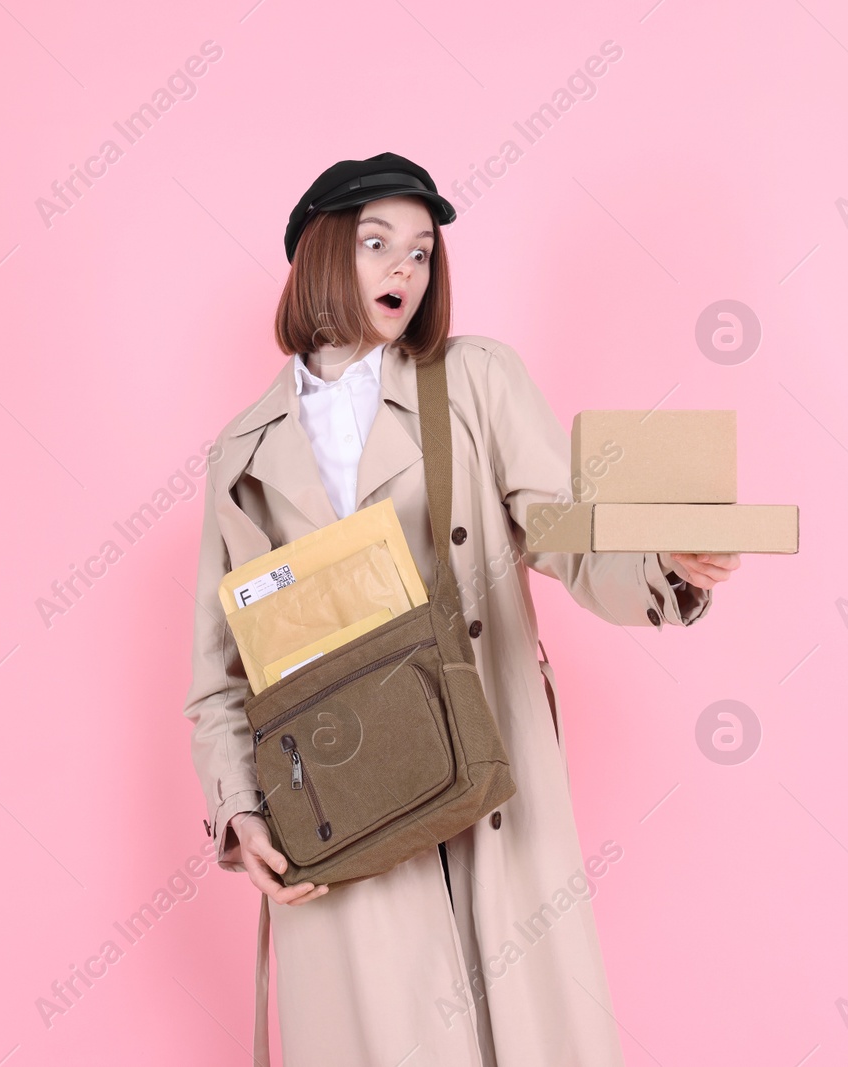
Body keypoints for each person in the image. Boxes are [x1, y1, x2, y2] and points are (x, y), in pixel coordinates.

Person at [182, 152, 739, 1066]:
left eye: (422, 251)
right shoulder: (242, 454)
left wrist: (663, 566)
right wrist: (241, 812)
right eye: (375, 244)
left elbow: (567, 533)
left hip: (487, 773)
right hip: (340, 806)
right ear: (320, 255)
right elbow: (222, 674)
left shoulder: (474, 380)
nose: (405, 268)